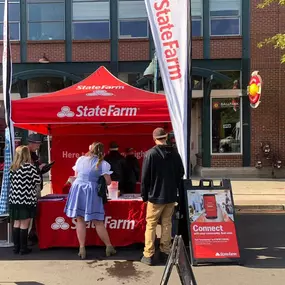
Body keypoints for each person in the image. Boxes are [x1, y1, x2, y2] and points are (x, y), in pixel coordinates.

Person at [64, 142, 116, 259]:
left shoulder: (81, 159)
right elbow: (108, 182)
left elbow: (76, 176)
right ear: (103, 152)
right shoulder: (103, 164)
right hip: (91, 191)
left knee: (80, 220)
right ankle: (109, 246)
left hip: (78, 189)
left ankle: (82, 248)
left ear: (90, 149)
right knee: (98, 221)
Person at [141, 128, 184, 265]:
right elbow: (181, 173)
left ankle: (148, 254)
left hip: (154, 196)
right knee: (167, 223)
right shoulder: (175, 154)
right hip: (171, 195)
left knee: (151, 224)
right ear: (166, 137)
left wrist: (144, 195)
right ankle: (165, 251)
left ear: (154, 139)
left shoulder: (150, 154)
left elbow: (145, 178)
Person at [9, 145, 41, 255]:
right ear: (26, 155)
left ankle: (16, 248)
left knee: (16, 223)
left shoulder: (13, 167)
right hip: (26, 199)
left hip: (14, 199)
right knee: (25, 224)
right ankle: (23, 248)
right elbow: (37, 181)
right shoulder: (30, 167)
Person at [26, 133, 46, 244]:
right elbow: (29, 171)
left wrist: (42, 169)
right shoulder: (27, 155)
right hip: (30, 188)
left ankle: (33, 233)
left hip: (35, 186)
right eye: (37, 144)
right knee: (30, 214)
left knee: (34, 211)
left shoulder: (34, 155)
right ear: (31, 143)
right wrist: (38, 168)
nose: (38, 147)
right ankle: (30, 235)